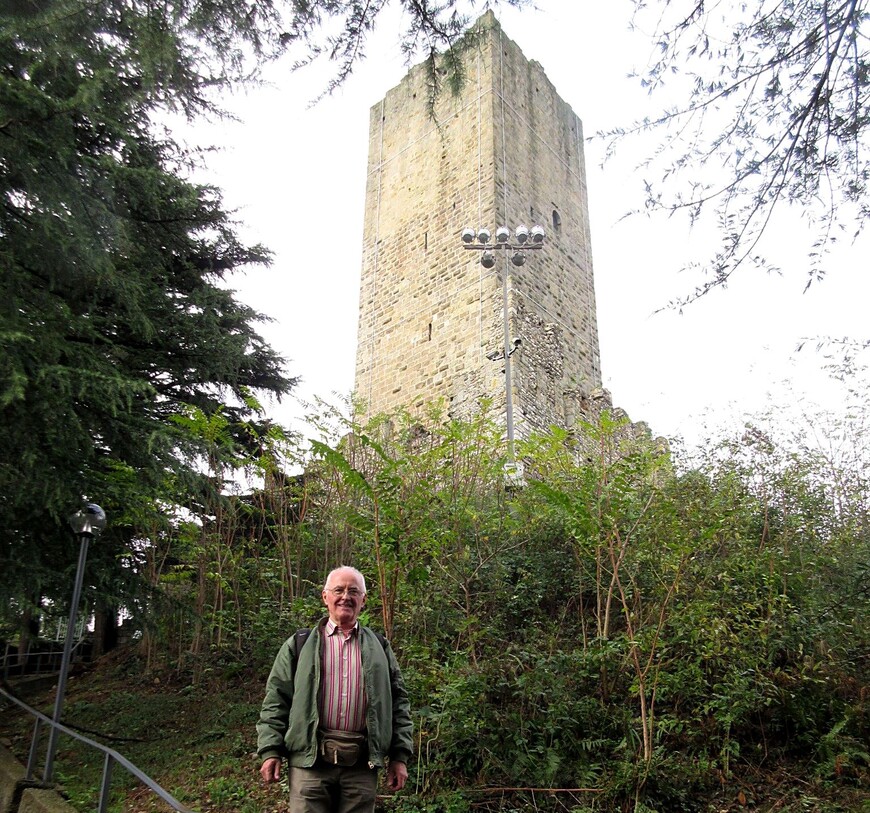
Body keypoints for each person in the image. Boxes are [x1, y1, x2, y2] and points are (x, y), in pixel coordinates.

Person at [257, 566, 413, 813]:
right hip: (309, 765)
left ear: (363, 600)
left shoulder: (380, 648)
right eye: (338, 590)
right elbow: (276, 699)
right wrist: (270, 750)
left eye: (354, 591)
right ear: (325, 596)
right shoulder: (299, 645)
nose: (345, 596)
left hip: (362, 766)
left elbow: (398, 704)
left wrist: (399, 757)